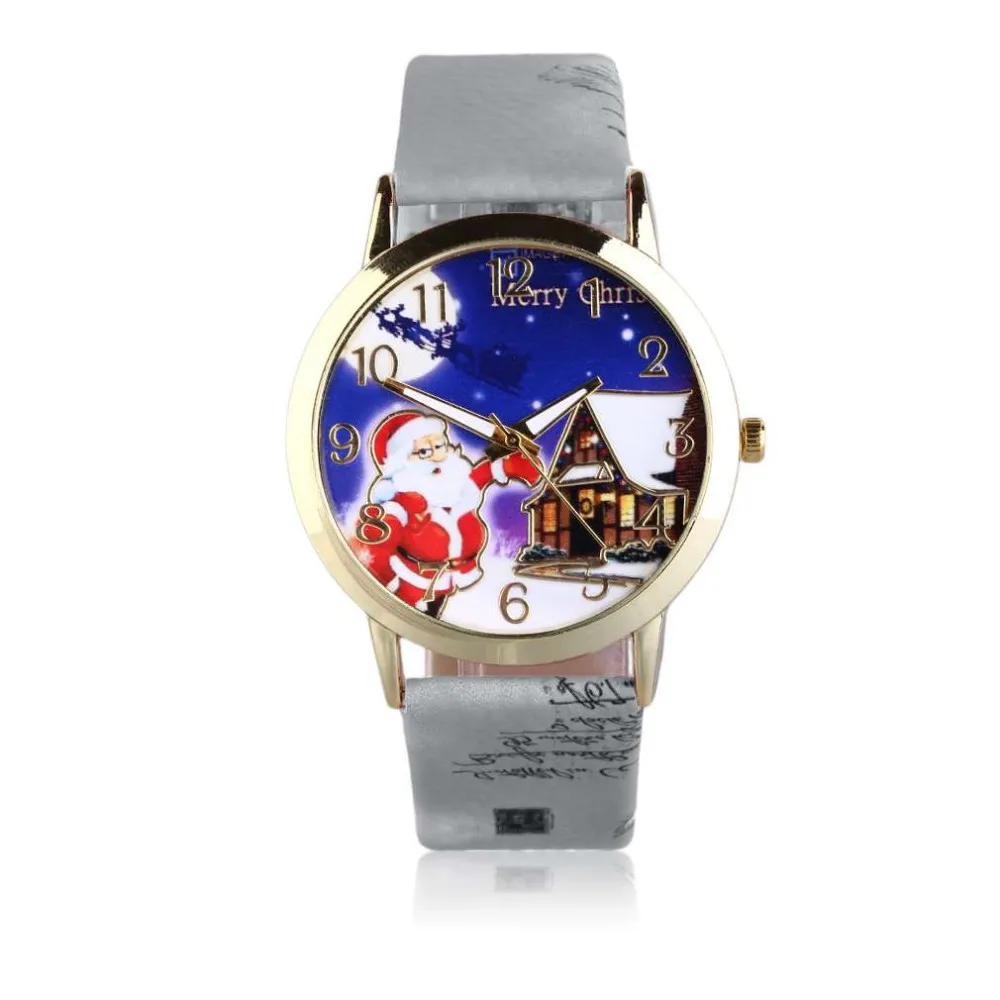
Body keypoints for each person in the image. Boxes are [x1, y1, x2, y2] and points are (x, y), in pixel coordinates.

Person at [351, 410, 540, 615]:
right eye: (424, 451)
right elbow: (383, 536)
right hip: (416, 581)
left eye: (439, 446)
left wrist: (509, 466)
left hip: (451, 578)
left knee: (438, 613)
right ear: (402, 461)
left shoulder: (455, 484)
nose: (435, 456)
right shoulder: (403, 502)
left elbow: (479, 477)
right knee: (408, 613)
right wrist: (379, 562)